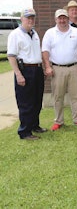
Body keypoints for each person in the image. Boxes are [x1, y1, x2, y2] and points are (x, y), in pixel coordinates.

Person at [42, 9, 77, 131]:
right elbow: (45, 51)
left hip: (74, 67)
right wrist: (47, 66)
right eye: (60, 18)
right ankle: (58, 121)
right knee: (58, 96)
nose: (62, 20)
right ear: (55, 19)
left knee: (76, 95)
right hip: (57, 69)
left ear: (68, 19)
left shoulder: (76, 32)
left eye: (64, 18)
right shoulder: (50, 33)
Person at [7, 8, 46, 140]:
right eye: (28, 18)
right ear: (21, 19)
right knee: (26, 102)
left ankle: (35, 125)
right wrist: (18, 74)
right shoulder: (15, 34)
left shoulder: (34, 33)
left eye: (32, 18)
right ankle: (24, 132)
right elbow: (11, 56)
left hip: (37, 70)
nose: (30, 20)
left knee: (37, 100)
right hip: (25, 70)